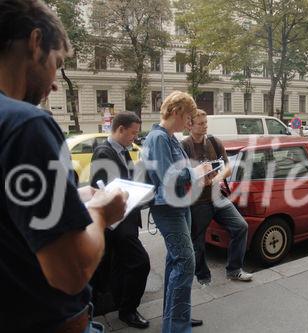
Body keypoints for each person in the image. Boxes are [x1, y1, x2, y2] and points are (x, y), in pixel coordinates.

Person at [0, 1, 128, 332]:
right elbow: (71, 272)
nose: (55, 83)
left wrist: (71, 194)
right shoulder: (25, 124)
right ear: (34, 42)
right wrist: (101, 212)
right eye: (56, 63)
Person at [142, 91, 211, 333]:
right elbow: (167, 176)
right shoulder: (159, 138)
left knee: (176, 262)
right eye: (188, 117)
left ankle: (176, 317)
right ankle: (177, 326)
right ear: (176, 112)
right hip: (168, 207)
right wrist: (195, 172)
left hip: (179, 205)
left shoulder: (168, 137)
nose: (189, 123)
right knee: (185, 262)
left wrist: (195, 172)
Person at [89, 112, 150, 329]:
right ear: (120, 129)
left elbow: (126, 182)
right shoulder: (104, 152)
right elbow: (100, 189)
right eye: (133, 132)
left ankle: (119, 304)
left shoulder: (123, 151)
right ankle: (128, 310)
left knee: (120, 265)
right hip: (118, 223)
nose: (135, 137)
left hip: (127, 218)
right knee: (140, 262)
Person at [182, 109, 253, 287]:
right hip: (197, 202)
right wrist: (198, 180)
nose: (205, 126)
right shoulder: (184, 146)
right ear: (190, 125)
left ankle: (234, 270)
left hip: (217, 197)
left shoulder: (214, 142)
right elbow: (181, 174)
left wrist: (217, 178)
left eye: (206, 123)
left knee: (240, 226)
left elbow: (228, 166)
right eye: (200, 123)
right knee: (197, 242)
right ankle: (203, 278)